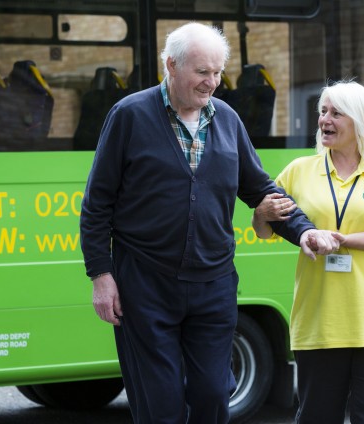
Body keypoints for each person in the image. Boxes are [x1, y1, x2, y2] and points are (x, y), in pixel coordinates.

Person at [79, 22, 339, 424]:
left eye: (217, 72)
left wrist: (304, 230)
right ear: (171, 65)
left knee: (214, 395)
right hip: (145, 285)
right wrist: (101, 274)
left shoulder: (228, 120)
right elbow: (97, 205)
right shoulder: (129, 116)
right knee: (160, 406)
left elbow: (261, 190)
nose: (212, 82)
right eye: (202, 72)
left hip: (213, 284)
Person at [253, 80, 364, 424]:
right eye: (322, 111)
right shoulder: (299, 171)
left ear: (360, 121)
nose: (325, 119)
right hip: (319, 324)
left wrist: (338, 240)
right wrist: (260, 215)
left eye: (336, 113)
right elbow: (267, 229)